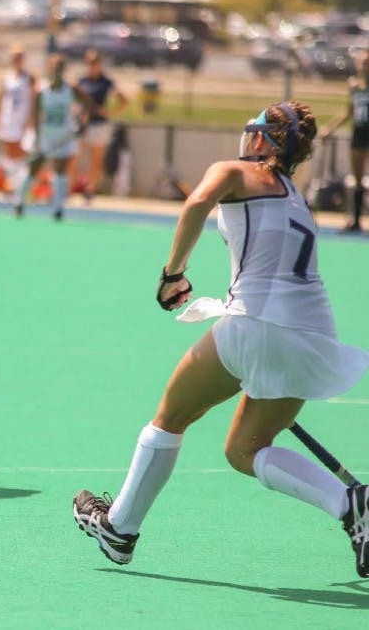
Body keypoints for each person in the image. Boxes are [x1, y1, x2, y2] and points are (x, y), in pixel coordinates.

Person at [72, 101, 369, 578]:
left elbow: (195, 202)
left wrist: (173, 274)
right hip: (313, 335)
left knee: (171, 417)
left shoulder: (233, 172)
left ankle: (119, 528)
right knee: (245, 450)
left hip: (256, 324)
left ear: (260, 141)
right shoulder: (297, 196)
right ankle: (352, 505)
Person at [16, 54, 92, 219]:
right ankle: (20, 204)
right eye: (53, 67)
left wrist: (81, 124)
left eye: (59, 67)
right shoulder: (42, 91)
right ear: (49, 69)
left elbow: (88, 104)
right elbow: (35, 116)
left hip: (63, 137)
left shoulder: (71, 89)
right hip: (44, 137)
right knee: (33, 170)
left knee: (60, 172)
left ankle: (58, 209)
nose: (56, 70)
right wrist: (36, 139)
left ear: (63, 69)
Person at [322, 49, 369, 232]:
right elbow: (349, 111)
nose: (364, 66)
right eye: (362, 62)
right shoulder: (354, 85)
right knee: (357, 179)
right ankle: (355, 220)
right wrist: (330, 128)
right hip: (358, 133)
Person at [75, 49, 127, 200]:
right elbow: (75, 101)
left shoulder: (105, 82)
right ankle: (70, 188)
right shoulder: (82, 81)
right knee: (74, 156)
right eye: (89, 63)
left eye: (95, 63)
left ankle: (91, 190)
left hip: (99, 125)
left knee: (96, 159)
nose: (92, 66)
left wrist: (110, 112)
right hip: (82, 125)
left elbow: (123, 99)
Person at [0, 45, 35, 213]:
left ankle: (24, 188)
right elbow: (1, 99)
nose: (17, 60)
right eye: (14, 57)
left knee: (22, 154)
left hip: (21, 120)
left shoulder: (29, 78)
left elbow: (33, 100)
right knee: (10, 155)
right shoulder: (6, 77)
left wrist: (30, 121)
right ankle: (16, 188)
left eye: (19, 57)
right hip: (7, 119)